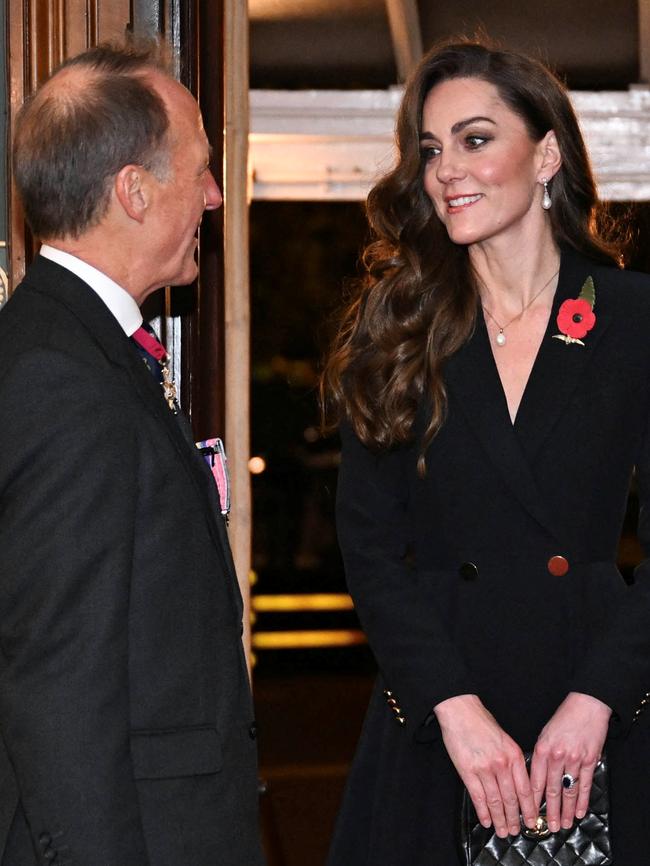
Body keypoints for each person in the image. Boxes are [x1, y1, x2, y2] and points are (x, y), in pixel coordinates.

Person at [323, 38, 650, 865]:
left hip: (596, 701)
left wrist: (599, 698)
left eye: (474, 140)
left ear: (546, 155)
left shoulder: (631, 316)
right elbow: (368, 550)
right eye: (430, 151)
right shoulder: (400, 324)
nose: (445, 171)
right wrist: (452, 709)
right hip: (440, 713)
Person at [0, 43, 265, 866]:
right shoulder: (61, 376)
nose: (215, 198)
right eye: (201, 171)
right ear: (134, 191)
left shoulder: (74, 344)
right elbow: (62, 687)